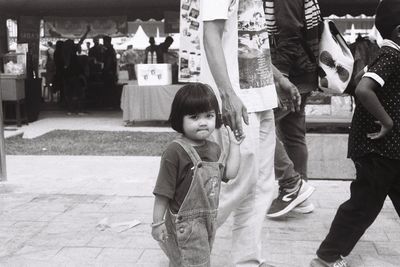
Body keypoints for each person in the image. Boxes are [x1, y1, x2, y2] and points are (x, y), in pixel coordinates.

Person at [200, 0, 300, 265]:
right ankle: (184, 238)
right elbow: (211, 34)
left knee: (260, 187)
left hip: (262, 96)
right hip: (238, 100)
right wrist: (227, 95)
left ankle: (247, 260)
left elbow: (252, 39)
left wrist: (278, 78)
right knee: (236, 183)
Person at [310, 1, 400, 266]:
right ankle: (326, 256)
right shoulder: (393, 55)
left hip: (388, 150)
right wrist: (388, 122)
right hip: (378, 147)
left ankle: (327, 255)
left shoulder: (384, 55)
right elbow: (363, 90)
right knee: (363, 205)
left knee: (367, 203)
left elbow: (360, 80)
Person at [151, 83, 244, 266]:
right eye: (194, 117)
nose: (203, 122)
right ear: (180, 119)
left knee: (182, 262)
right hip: (184, 224)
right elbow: (163, 192)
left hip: (208, 221)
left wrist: (235, 146)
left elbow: (230, 174)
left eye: (208, 116)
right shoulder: (175, 151)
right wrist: (157, 223)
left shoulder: (214, 149)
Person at [264, 0, 323, 217]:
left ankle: (292, 186)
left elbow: (289, 35)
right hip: (303, 73)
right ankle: (300, 196)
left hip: (291, 75)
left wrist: (282, 79)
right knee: (293, 134)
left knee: (260, 127)